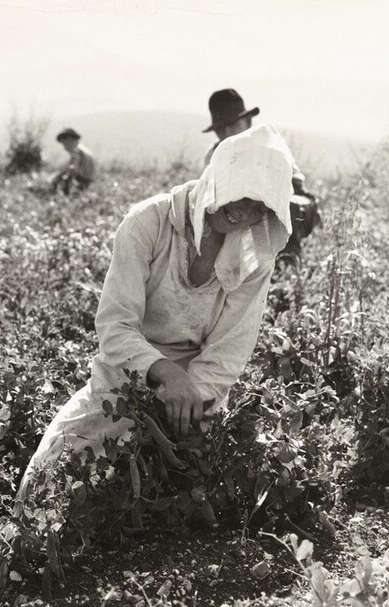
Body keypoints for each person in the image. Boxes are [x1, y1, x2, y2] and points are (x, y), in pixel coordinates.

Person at [19, 124, 295, 497]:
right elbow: (115, 327)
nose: (243, 211)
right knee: (43, 487)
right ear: (217, 179)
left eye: (258, 206)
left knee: (198, 493)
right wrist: (164, 374)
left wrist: (189, 396)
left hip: (199, 393)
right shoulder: (148, 222)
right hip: (125, 379)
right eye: (239, 193)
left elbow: (231, 347)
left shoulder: (252, 255)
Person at [203, 89, 320, 255]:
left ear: (248, 122)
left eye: (234, 125)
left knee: (285, 209)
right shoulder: (213, 155)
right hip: (242, 209)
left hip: (286, 200)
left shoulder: (269, 146)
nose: (228, 133)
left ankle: (288, 261)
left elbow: (289, 188)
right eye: (221, 129)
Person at [50, 128, 96, 195]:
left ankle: (63, 194)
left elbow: (73, 168)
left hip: (83, 180)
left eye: (65, 143)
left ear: (71, 139)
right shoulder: (82, 149)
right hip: (89, 179)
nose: (64, 147)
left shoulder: (76, 152)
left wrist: (58, 177)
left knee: (61, 176)